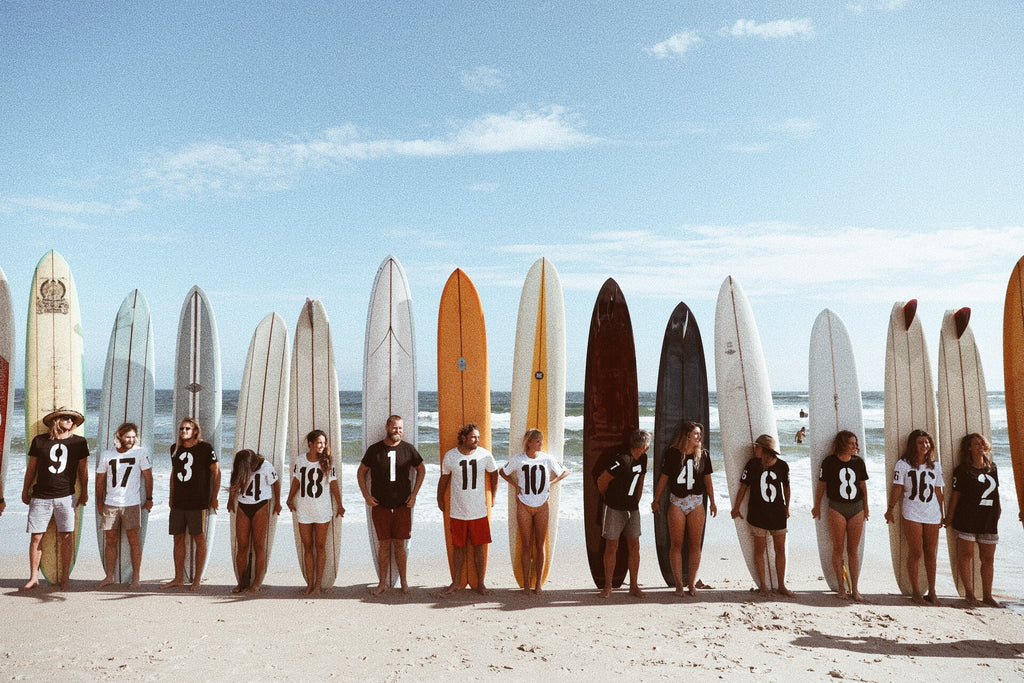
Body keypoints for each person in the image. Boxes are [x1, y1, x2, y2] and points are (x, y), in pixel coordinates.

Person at [21, 407, 90, 590]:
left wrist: (85, 492)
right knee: (36, 537)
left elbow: (83, 471)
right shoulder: (40, 441)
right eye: (66, 418)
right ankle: (34, 577)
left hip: (66, 496)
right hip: (40, 496)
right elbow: (31, 469)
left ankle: (65, 577)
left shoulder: (80, 442)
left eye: (72, 420)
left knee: (66, 536)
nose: (70, 421)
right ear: (55, 420)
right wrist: (24, 490)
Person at [358, 415, 426, 596]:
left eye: (401, 428)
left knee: (400, 546)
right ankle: (382, 583)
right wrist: (366, 495)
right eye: (395, 428)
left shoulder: (408, 449)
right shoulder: (375, 450)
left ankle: (404, 582)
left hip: (402, 506)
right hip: (381, 506)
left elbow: (421, 469)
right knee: (384, 545)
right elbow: (361, 472)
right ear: (387, 427)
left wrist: (414, 494)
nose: (398, 431)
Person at [651, 421, 717, 597]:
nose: (699, 437)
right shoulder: (673, 454)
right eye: (696, 433)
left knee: (695, 545)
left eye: (699, 434)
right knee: (677, 544)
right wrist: (655, 500)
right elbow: (664, 479)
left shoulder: (703, 455)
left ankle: (692, 584)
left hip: (696, 501)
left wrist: (713, 501)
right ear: (687, 435)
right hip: (677, 502)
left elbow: (708, 480)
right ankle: (679, 584)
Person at [499, 429, 568, 595]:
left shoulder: (548, 459)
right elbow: (502, 472)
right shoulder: (518, 460)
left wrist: (552, 482)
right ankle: (526, 585)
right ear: (528, 442)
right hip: (524, 504)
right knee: (526, 545)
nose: (540, 443)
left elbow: (565, 471)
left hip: (542, 505)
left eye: (541, 440)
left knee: (540, 544)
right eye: (537, 440)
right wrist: (515, 486)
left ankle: (538, 584)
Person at [437, 423, 498, 596]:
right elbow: (444, 479)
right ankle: (456, 582)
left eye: (478, 437)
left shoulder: (485, 455)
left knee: (479, 547)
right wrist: (439, 498)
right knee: (458, 547)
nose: (476, 440)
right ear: (463, 438)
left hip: (478, 510)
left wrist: (493, 496)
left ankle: (481, 583)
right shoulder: (450, 456)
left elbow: (494, 474)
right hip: (458, 510)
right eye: (473, 437)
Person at [731, 434, 794, 597]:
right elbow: (743, 487)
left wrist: (787, 507)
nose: (755, 449)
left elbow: (786, 488)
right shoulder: (752, 464)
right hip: (758, 513)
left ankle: (781, 585)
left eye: (757, 447)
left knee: (780, 549)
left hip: (778, 513)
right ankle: (764, 586)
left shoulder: (782, 466)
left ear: (766, 450)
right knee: (759, 550)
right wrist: (736, 508)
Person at [885, 429, 943, 605]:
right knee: (916, 552)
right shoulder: (903, 464)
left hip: (932, 512)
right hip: (912, 511)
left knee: (931, 553)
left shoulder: (936, 466)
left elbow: (938, 491)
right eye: (920, 442)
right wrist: (890, 508)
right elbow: (898, 488)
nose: (925, 445)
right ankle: (916, 592)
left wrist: (942, 513)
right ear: (913, 445)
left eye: (927, 442)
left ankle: (932, 591)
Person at [943, 433, 1002, 607]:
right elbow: (956, 495)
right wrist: (950, 516)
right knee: (966, 555)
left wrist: (998, 509)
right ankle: (969, 594)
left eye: (982, 443)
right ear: (969, 448)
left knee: (988, 559)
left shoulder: (993, 468)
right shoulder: (962, 470)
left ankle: (988, 595)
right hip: (966, 517)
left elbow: (996, 491)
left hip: (988, 518)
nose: (980, 446)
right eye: (976, 444)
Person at [161, 417, 220, 591]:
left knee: (198, 539)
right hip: (179, 501)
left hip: (197, 501)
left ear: (195, 431)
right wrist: (171, 497)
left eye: (187, 428)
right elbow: (174, 474)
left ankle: (197, 580)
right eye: (181, 429)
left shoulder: (205, 448)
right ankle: (178, 577)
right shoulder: (175, 449)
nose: (183, 431)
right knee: (177, 539)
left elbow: (216, 473)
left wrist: (214, 497)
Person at [811, 430, 869, 602]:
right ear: (843, 444)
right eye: (851, 443)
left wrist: (866, 507)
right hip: (836, 507)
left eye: (855, 443)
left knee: (853, 550)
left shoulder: (858, 462)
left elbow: (863, 486)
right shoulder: (829, 462)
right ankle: (841, 587)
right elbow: (821, 485)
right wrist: (816, 506)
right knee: (838, 549)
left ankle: (855, 589)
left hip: (856, 508)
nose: (855, 446)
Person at [96, 422, 154, 589]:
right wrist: (100, 502)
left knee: (134, 541)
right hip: (111, 503)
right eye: (127, 437)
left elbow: (148, 477)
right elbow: (100, 481)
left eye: (133, 437)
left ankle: (136, 577)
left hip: (131, 503)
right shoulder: (107, 454)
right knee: (110, 540)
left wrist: (149, 498)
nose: (131, 440)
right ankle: (109, 576)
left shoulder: (140, 453)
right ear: (119, 436)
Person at [286, 429, 344, 595]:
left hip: (322, 510)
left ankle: (318, 586)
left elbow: (333, 485)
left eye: (324, 443)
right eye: (319, 442)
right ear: (310, 443)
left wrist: (340, 505)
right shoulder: (300, 460)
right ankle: (309, 584)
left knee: (320, 547)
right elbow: (296, 481)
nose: (322, 445)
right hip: (304, 509)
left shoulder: (327, 462)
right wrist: (289, 499)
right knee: (307, 547)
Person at [596, 429, 650, 599]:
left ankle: (633, 586)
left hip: (632, 509)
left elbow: (640, 480)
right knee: (612, 546)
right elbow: (602, 480)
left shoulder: (643, 458)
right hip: (614, 508)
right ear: (644, 445)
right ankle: (607, 587)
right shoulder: (621, 460)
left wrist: (637, 501)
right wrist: (609, 498)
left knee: (635, 546)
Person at [228, 448, 282, 594]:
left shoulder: (266, 466)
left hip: (260, 506)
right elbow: (234, 482)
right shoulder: (241, 464)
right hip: (243, 505)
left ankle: (257, 583)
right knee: (242, 546)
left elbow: (275, 483)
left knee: (259, 546)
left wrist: (278, 503)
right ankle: (241, 582)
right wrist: (230, 500)